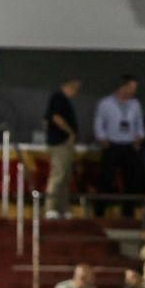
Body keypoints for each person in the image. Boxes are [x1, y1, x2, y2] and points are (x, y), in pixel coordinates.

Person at [95, 75, 145, 217]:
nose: (133, 91)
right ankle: (100, 212)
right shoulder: (105, 103)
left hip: (129, 145)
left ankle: (128, 212)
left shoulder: (135, 104)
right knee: (106, 179)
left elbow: (139, 124)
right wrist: (102, 139)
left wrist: (140, 137)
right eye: (131, 88)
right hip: (112, 145)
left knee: (131, 180)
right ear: (123, 87)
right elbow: (99, 123)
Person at [45, 77, 80, 218]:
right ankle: (50, 208)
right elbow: (56, 118)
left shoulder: (65, 100)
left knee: (65, 177)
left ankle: (63, 209)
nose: (76, 92)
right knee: (58, 175)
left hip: (66, 144)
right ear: (68, 86)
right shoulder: (58, 98)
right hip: (59, 143)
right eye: (75, 88)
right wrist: (70, 132)